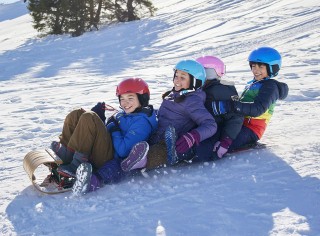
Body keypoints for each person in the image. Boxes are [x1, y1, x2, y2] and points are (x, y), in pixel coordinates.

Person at [51, 78, 158, 194]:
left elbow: (123, 151)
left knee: (89, 117)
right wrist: (101, 119)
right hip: (107, 147)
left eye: (130, 98)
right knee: (76, 114)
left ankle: (77, 164)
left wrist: (113, 128)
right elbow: (109, 130)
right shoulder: (128, 113)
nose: (125, 103)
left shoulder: (142, 123)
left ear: (142, 98)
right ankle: (68, 152)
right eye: (122, 99)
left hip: (110, 158)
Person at [120, 59, 217, 171]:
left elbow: (211, 125)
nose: (177, 80)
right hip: (157, 132)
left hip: (171, 141)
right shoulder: (174, 94)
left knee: (160, 151)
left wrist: (192, 136)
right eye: (176, 76)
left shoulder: (192, 101)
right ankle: (131, 153)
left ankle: (141, 161)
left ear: (195, 82)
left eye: (183, 77)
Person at [210, 46, 289, 152]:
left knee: (214, 144)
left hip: (251, 130)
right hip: (240, 123)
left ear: (272, 68)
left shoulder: (270, 87)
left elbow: (258, 109)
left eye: (261, 67)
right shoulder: (254, 84)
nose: (256, 70)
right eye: (253, 66)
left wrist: (231, 106)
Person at [190, 55, 244, 161]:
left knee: (201, 150)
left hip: (216, 129)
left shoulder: (222, 90)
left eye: (205, 72)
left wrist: (226, 141)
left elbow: (236, 116)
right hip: (201, 126)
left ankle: (183, 153)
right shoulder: (200, 88)